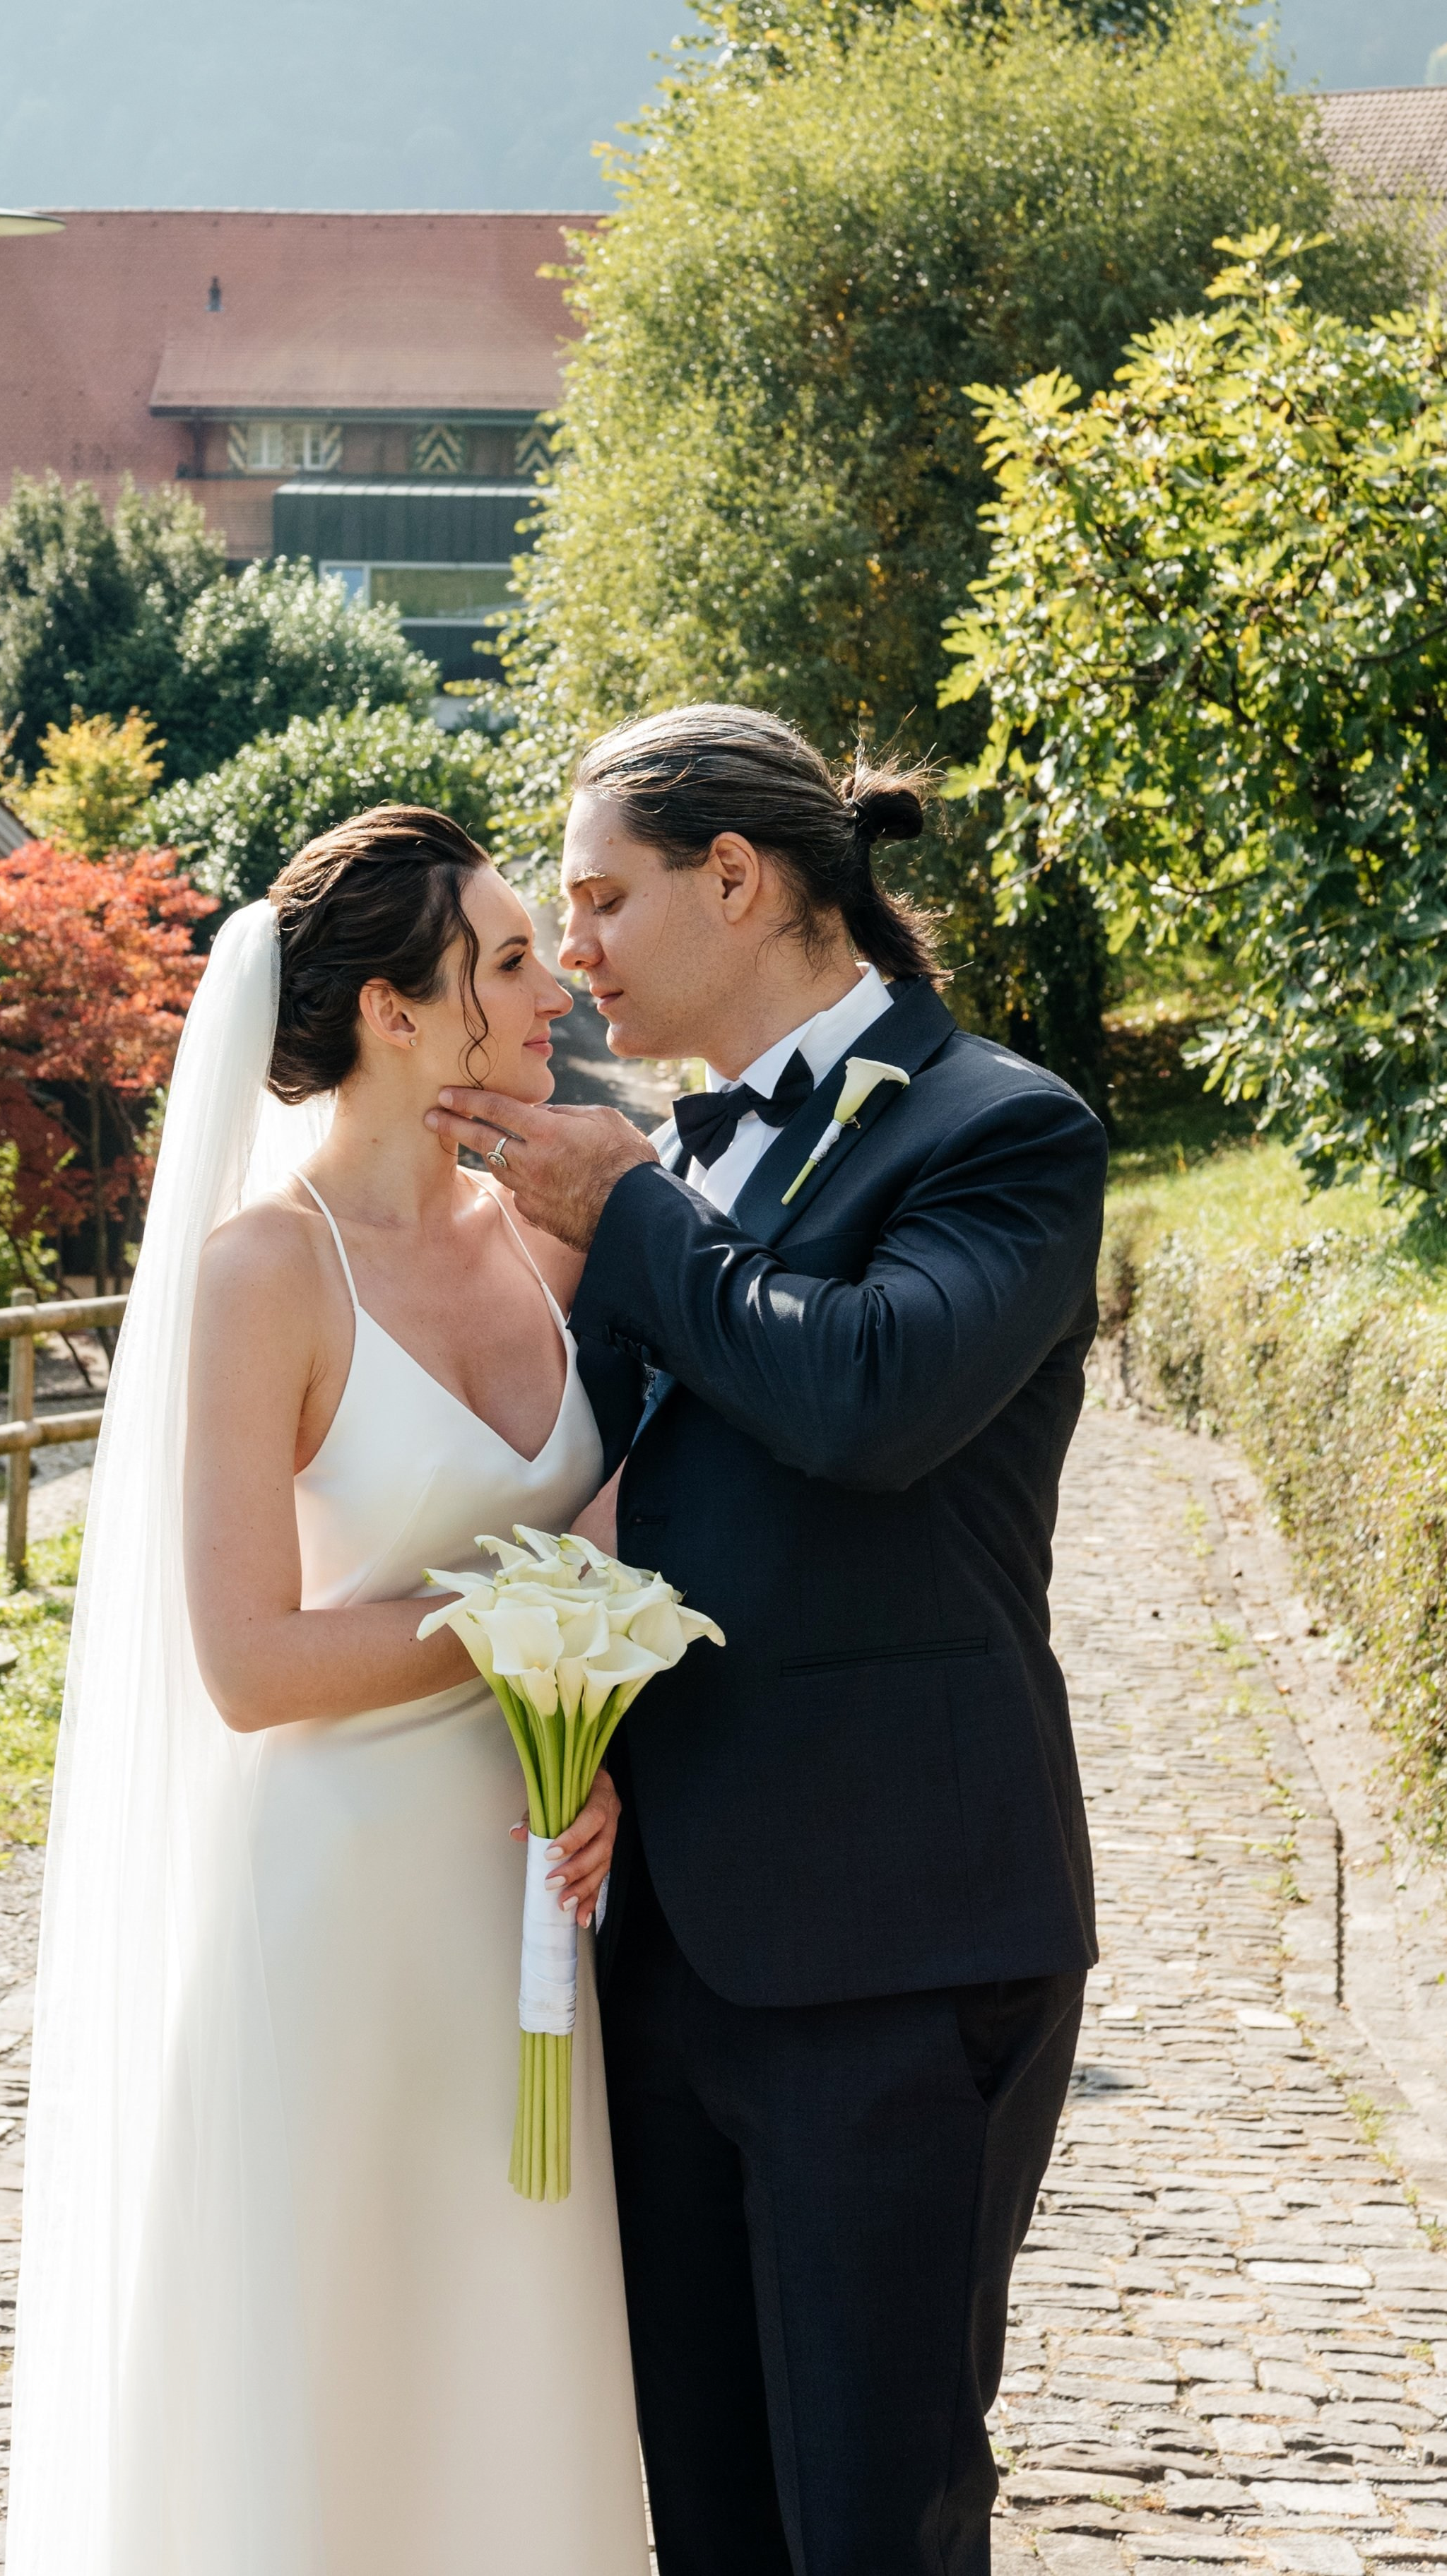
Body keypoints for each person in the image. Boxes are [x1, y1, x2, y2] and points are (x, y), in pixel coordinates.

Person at [426, 705, 1109, 2576]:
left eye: (599, 900)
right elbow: (619, 1483)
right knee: (700, 2507)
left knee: (871, 2516)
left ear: (736, 878)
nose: (572, 953)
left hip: (902, 1943)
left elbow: (867, 1394)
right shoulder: (671, 1155)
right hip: (667, 1942)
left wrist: (631, 1211)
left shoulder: (1006, 1129)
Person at [6, 809, 649, 2576]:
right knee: (333, 2384)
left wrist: (591, 1734)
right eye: (508, 961)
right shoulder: (263, 1274)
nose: (551, 989)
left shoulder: (550, 1230)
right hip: (334, 1906)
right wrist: (528, 1616)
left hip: (525, 1893)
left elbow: (613, 1516)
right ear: (393, 1010)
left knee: (507, 2366)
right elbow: (247, 1662)